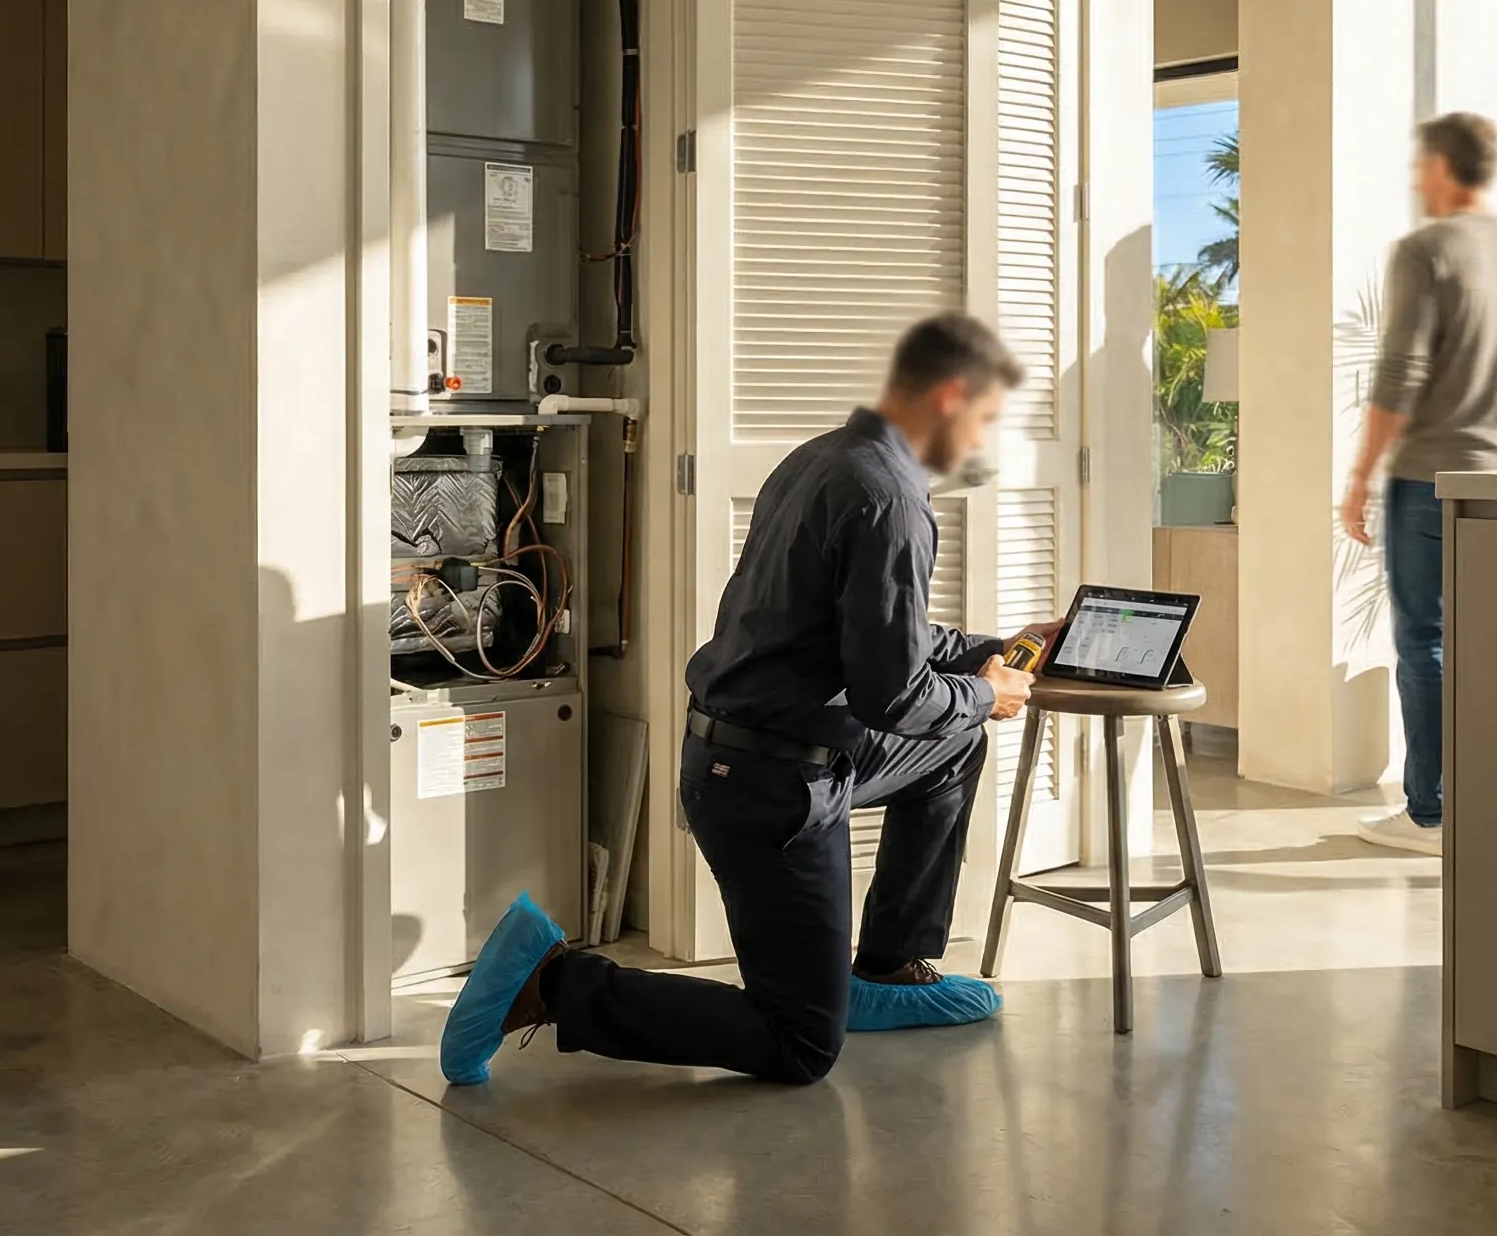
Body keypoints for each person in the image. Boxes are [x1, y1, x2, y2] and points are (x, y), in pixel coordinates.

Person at [439, 312, 1050, 1087]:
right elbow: (892, 693)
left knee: (952, 748)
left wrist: (989, 650)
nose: (978, 446)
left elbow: (872, 637)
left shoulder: (823, 460)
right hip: (777, 789)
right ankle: (551, 983)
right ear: (950, 398)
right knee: (799, 1044)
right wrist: (984, 693)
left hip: (743, 752)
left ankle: (891, 966)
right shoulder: (892, 500)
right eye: (985, 422)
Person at [1342, 112, 1497, 856]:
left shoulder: (1425, 250)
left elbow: (1401, 374)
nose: (1414, 179)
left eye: (1419, 164)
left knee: (1425, 642)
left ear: (1443, 166)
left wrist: (1360, 475)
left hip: (1433, 478)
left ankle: (1431, 812)